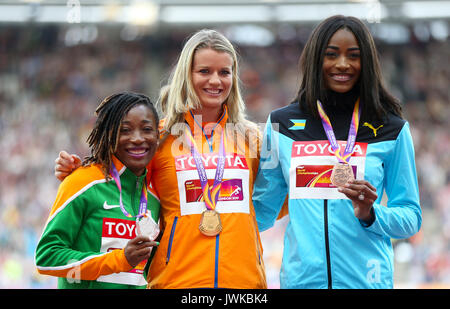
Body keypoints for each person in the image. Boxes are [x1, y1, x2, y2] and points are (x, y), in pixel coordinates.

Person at [53, 29, 267, 289]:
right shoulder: (158, 137)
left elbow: (275, 199)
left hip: (244, 284)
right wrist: (78, 171)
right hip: (176, 282)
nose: (215, 80)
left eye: (224, 72)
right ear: (186, 76)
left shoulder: (252, 138)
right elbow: (117, 183)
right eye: (204, 71)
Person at [253, 15, 422, 289]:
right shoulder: (280, 125)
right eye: (331, 55)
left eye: (353, 56)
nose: (342, 64)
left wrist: (371, 213)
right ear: (315, 60)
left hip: (367, 282)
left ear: (366, 62)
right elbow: (262, 210)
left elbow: (411, 218)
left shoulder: (391, 128)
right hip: (300, 283)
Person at [35, 92, 161, 288]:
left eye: (146, 129)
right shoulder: (82, 182)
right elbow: (46, 256)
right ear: (108, 134)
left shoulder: (155, 197)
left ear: (157, 136)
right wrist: (119, 260)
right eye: (125, 130)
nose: (137, 139)